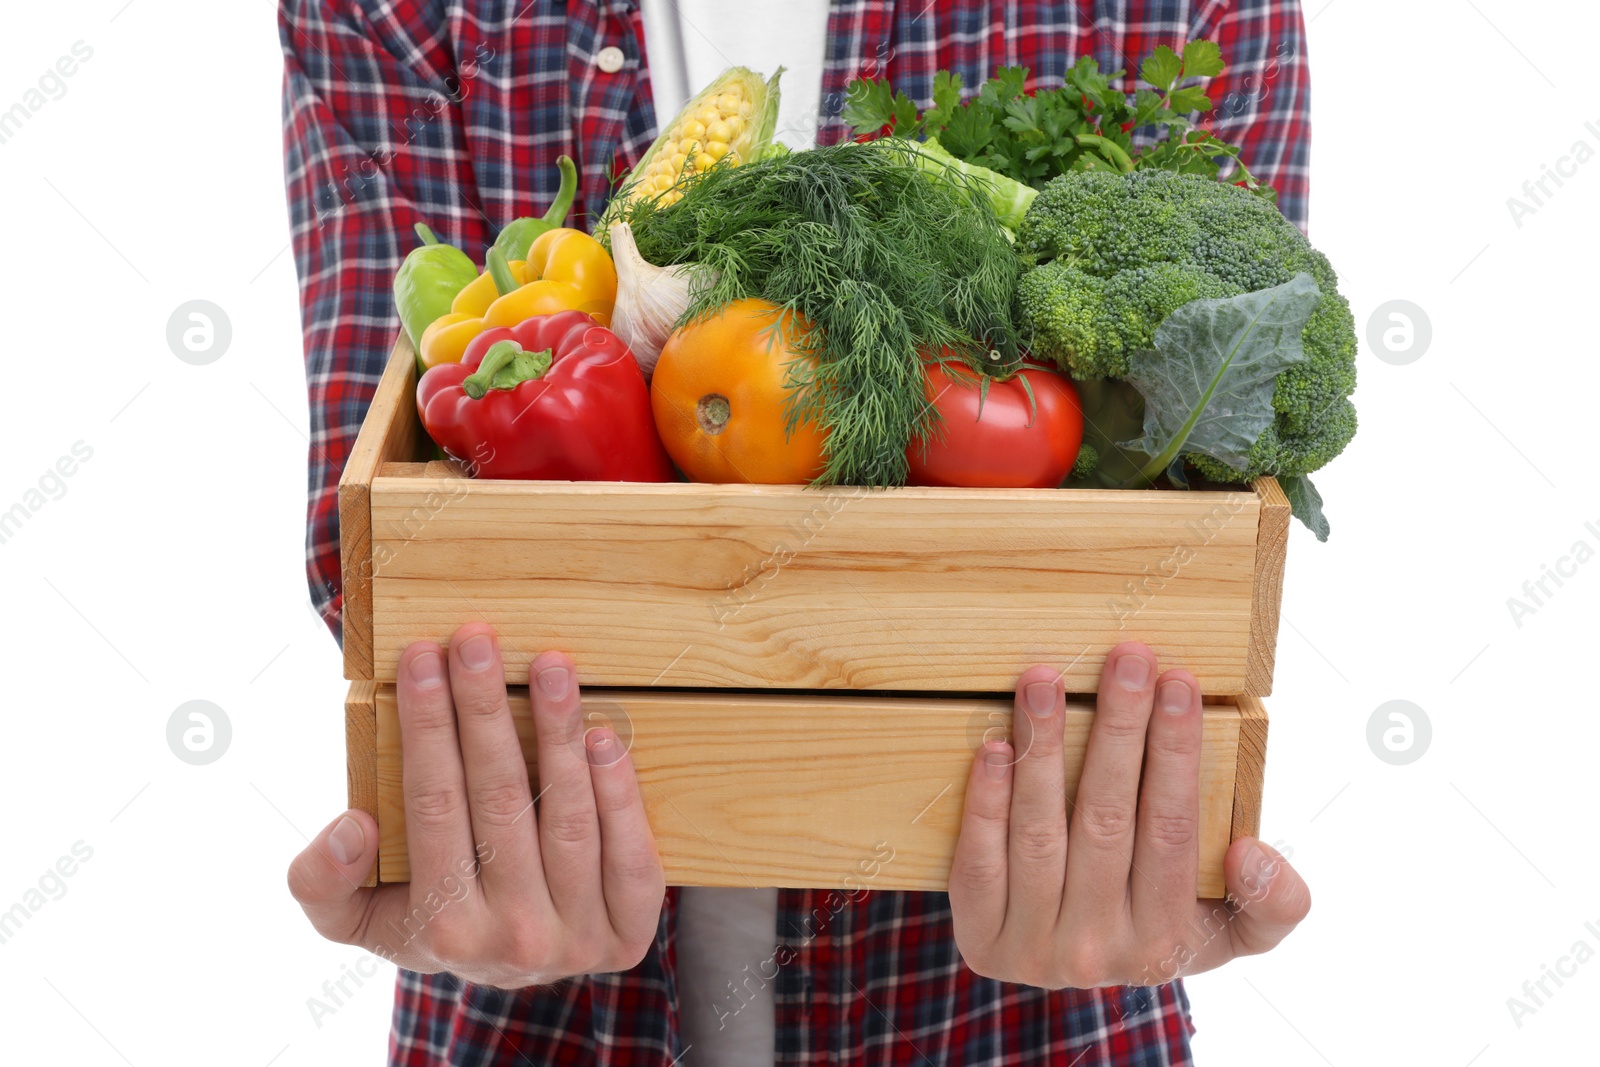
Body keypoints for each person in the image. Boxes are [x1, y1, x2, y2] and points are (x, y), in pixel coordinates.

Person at [279, 2, 1314, 1063]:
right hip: (541, 1029)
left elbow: (1218, 511)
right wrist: (451, 874)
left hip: (1023, 1029)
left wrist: (1158, 858)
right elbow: (371, 546)